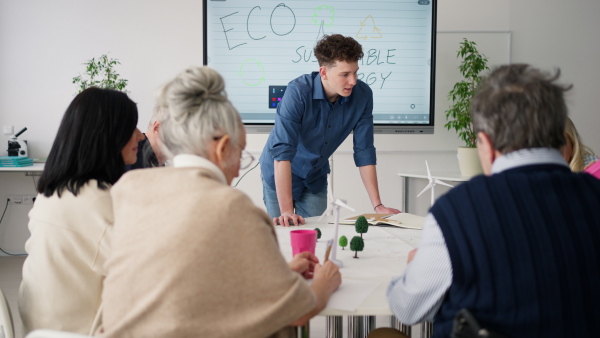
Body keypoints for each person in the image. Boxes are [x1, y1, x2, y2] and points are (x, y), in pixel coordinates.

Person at [101, 66, 341, 338]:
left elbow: (186, 278)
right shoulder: (233, 206)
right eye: (241, 155)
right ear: (222, 147)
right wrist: (325, 282)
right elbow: (299, 312)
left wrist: (281, 273)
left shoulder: (129, 189)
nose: (238, 170)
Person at [380, 64, 600, 338]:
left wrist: (413, 267)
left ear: (486, 143)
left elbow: (407, 309)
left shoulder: (458, 211)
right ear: (562, 139)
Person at [18, 87, 143, 335]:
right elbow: (145, 273)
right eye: (132, 127)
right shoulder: (101, 202)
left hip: (38, 329)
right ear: (108, 135)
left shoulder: (49, 192)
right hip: (76, 333)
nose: (140, 136)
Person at [260, 34, 400, 227]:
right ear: (324, 72)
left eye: (355, 72)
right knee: (282, 236)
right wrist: (286, 211)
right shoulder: (298, 93)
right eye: (345, 74)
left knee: (316, 234)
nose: (353, 81)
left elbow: (364, 150)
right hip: (280, 173)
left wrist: (378, 205)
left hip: (314, 177)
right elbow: (283, 152)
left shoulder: (363, 96)